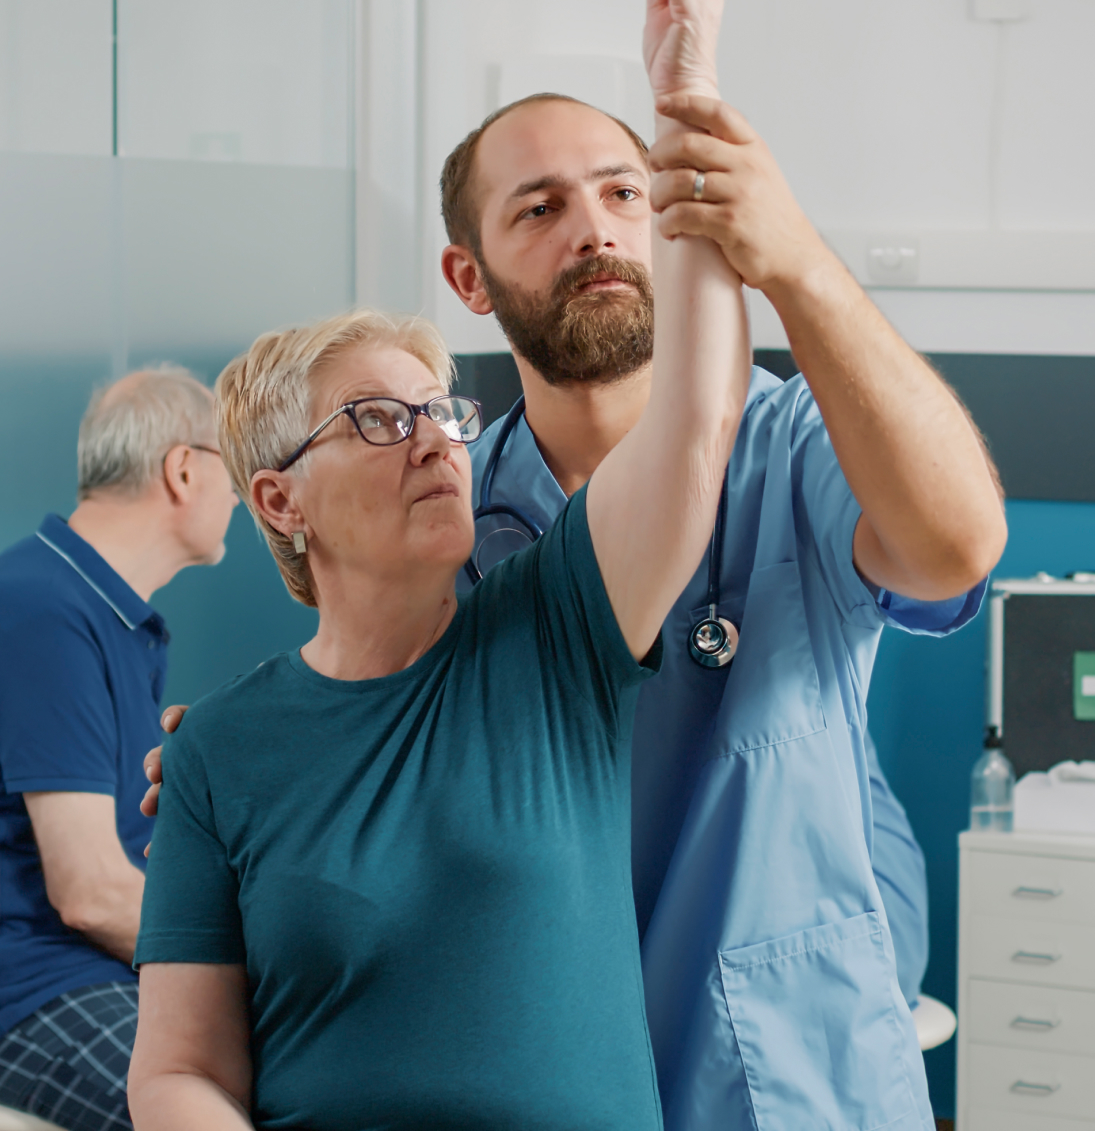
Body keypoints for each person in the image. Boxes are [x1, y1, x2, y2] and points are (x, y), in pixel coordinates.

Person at [432, 0, 1006, 1128]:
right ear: (467, 278)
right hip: (543, 1071)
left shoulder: (791, 446)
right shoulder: (450, 515)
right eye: (536, 209)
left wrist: (792, 261)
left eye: (621, 192)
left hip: (783, 1077)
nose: (592, 228)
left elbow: (956, 546)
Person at [126, 128, 750, 1122]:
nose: (433, 442)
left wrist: (688, 119)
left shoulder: (552, 632)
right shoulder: (217, 751)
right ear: (281, 502)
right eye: (377, 420)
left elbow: (697, 421)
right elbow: (178, 1070)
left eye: (440, 411)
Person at [0, 366, 238, 1131]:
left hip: (89, 971)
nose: (240, 497)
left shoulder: (111, 618)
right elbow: (90, 890)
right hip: (35, 985)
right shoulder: (45, 608)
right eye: (232, 470)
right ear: (182, 469)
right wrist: (252, 967)